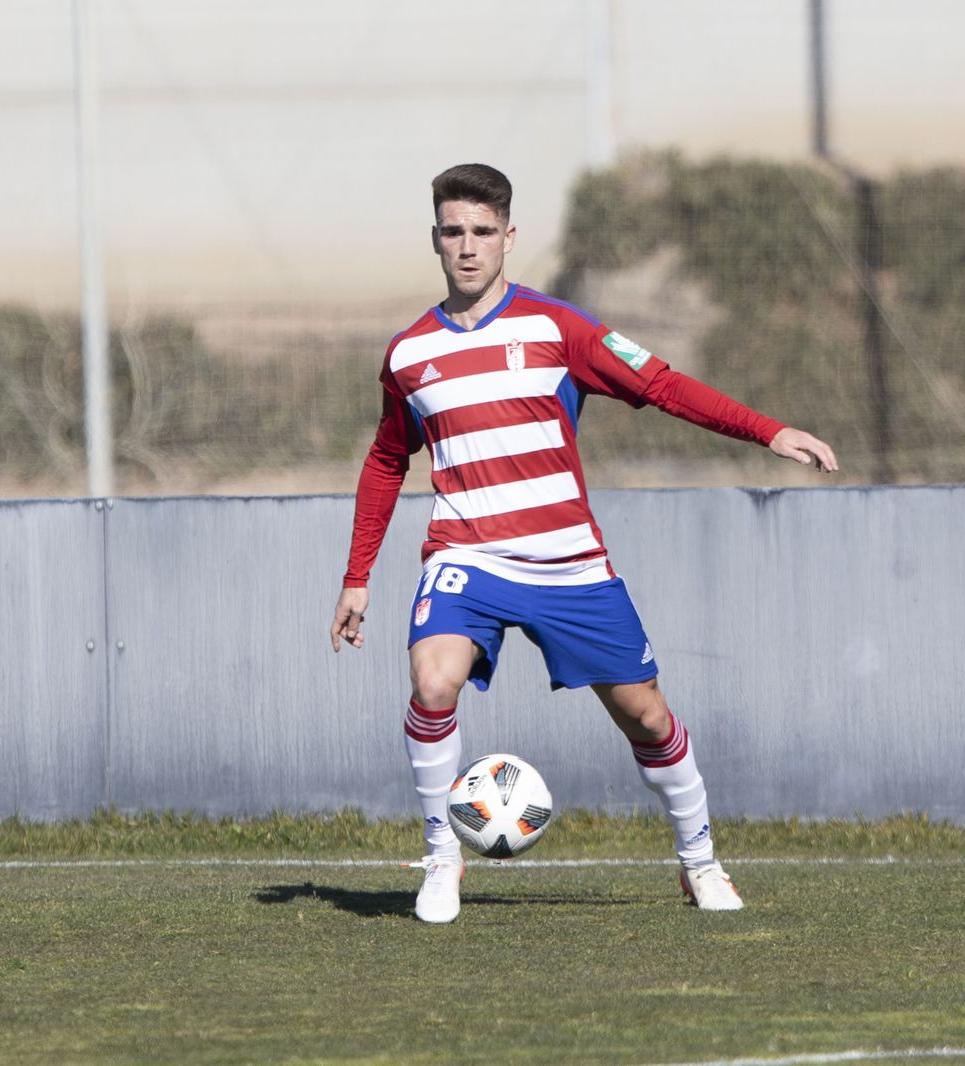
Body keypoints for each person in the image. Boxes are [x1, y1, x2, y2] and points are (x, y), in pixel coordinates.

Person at [328, 163, 837, 924]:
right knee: (432, 683)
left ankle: (699, 861)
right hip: (467, 556)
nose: (467, 247)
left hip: (568, 563)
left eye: (482, 231)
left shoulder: (559, 328)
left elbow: (662, 385)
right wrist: (357, 575)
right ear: (435, 237)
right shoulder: (408, 354)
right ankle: (441, 857)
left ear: (509, 237)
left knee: (648, 718)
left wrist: (768, 431)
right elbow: (385, 460)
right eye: (453, 231)